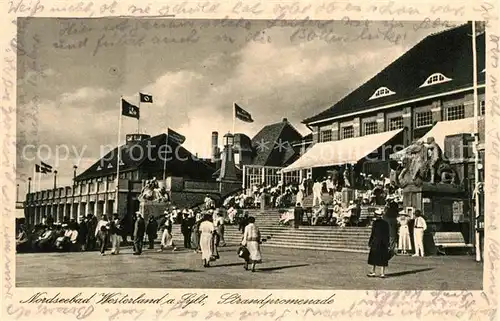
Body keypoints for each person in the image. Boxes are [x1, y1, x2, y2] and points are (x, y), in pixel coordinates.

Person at [367, 209, 391, 278]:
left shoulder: (375, 223)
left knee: (373, 256)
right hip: (383, 242)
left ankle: (373, 272)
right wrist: (388, 243)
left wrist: (370, 241)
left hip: (376, 241)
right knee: (383, 257)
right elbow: (387, 234)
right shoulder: (386, 223)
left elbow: (373, 233)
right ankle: (382, 273)